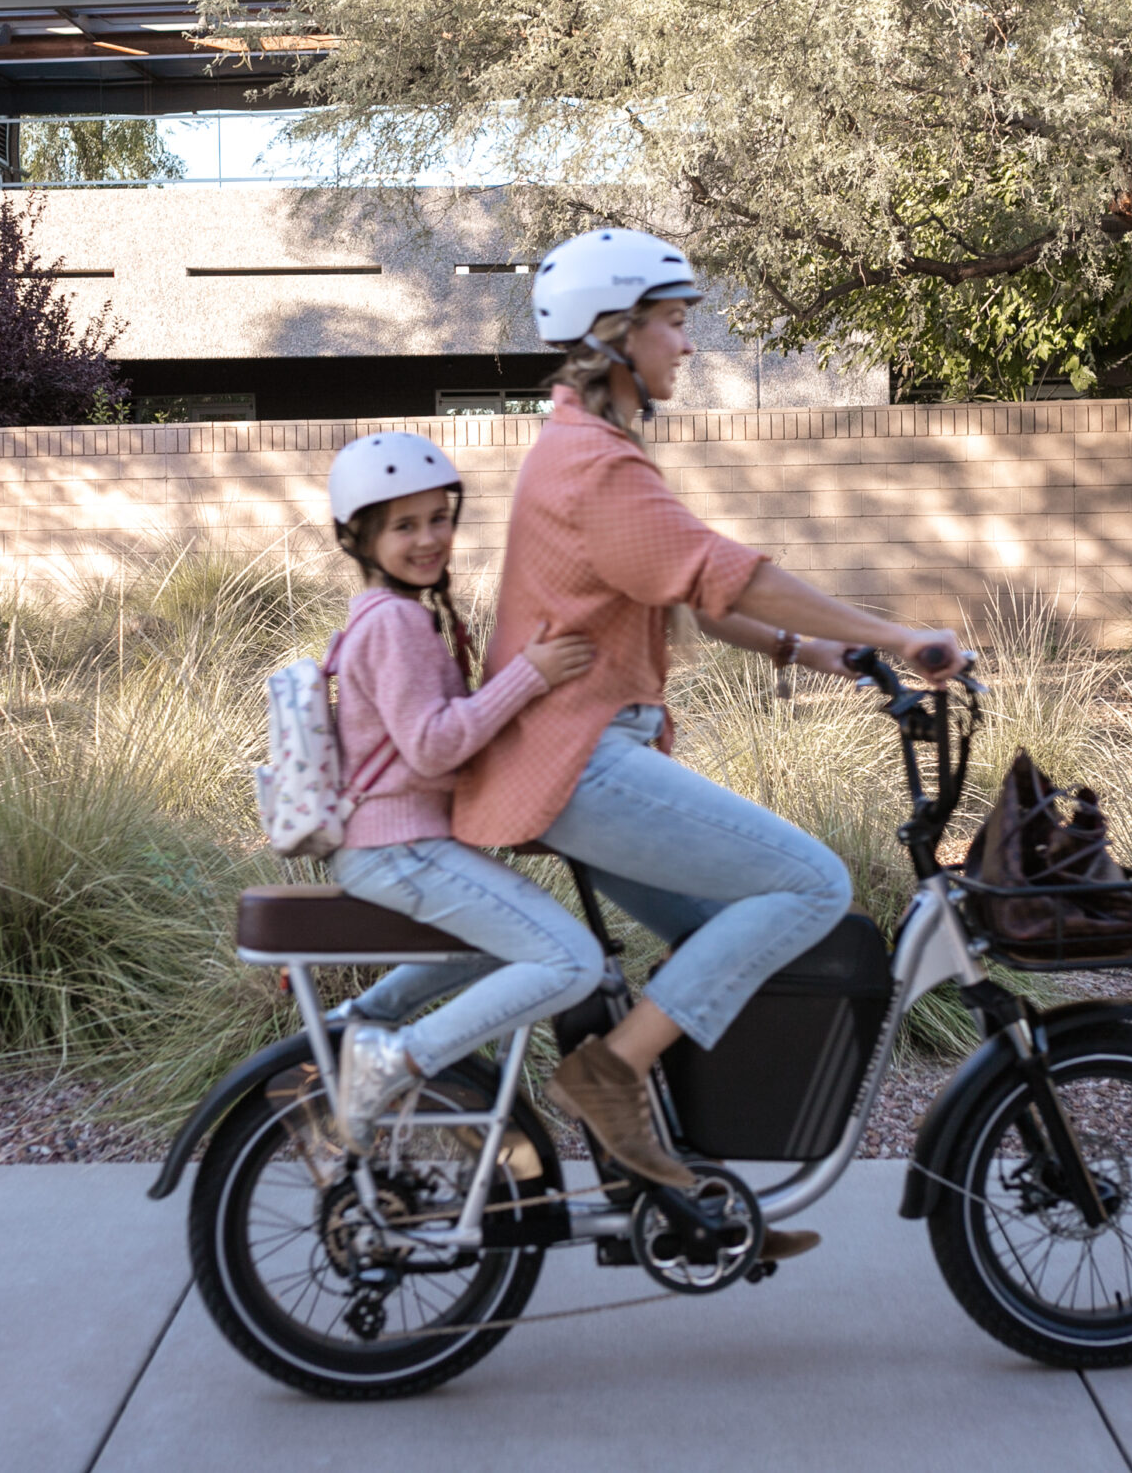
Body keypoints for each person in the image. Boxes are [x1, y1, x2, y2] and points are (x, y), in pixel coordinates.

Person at [455, 229, 962, 1258]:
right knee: (811, 889)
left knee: (729, 932)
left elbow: (697, 591)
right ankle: (606, 1075)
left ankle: (680, 1188)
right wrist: (897, 634)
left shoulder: (592, 452)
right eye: (675, 322)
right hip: (584, 761)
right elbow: (727, 569)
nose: (688, 345)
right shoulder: (593, 466)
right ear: (615, 333)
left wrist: (818, 655)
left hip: (589, 755)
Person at [320, 431, 607, 1153]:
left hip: (398, 843)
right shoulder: (394, 622)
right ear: (360, 538)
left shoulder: (395, 616)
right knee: (571, 961)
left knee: (503, 944)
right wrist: (532, 673)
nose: (428, 539)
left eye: (437, 518)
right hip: (398, 846)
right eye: (403, 525)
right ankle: (397, 1056)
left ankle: (363, 1022)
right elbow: (435, 742)